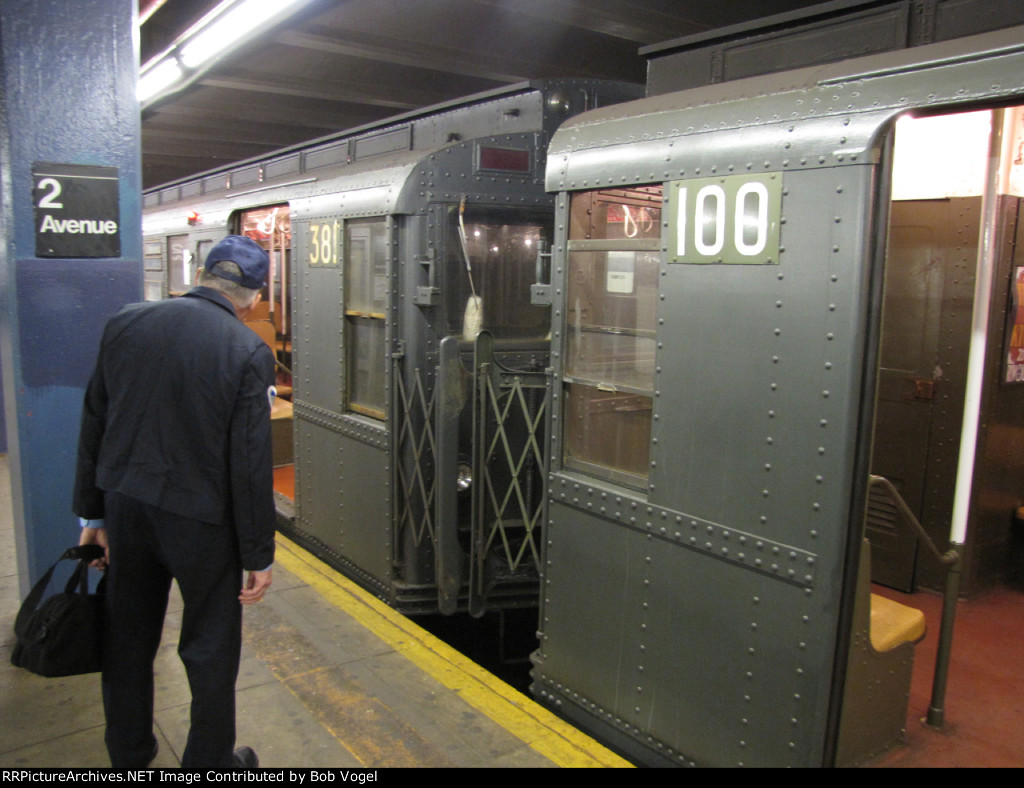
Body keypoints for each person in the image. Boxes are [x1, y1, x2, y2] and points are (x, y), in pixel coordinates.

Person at [73, 235, 277, 769]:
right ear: (253, 296)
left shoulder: (125, 323)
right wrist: (257, 555)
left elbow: (94, 421)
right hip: (200, 523)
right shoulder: (246, 350)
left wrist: (93, 515)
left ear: (202, 275)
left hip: (127, 508)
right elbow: (250, 464)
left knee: (128, 638)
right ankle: (209, 763)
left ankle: (129, 754)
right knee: (210, 649)